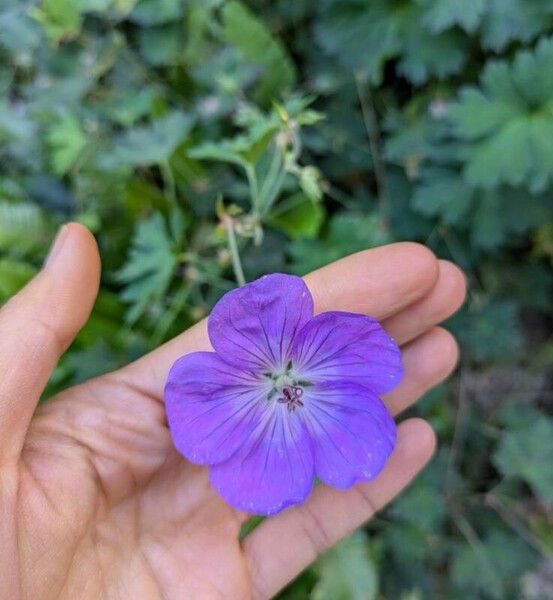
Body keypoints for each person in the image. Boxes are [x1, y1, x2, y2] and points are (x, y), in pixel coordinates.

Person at [0, 223, 466, 599]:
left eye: (288, 386)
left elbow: (366, 355)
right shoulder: (231, 377)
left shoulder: (323, 372)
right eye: (283, 386)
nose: (287, 388)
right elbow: (200, 414)